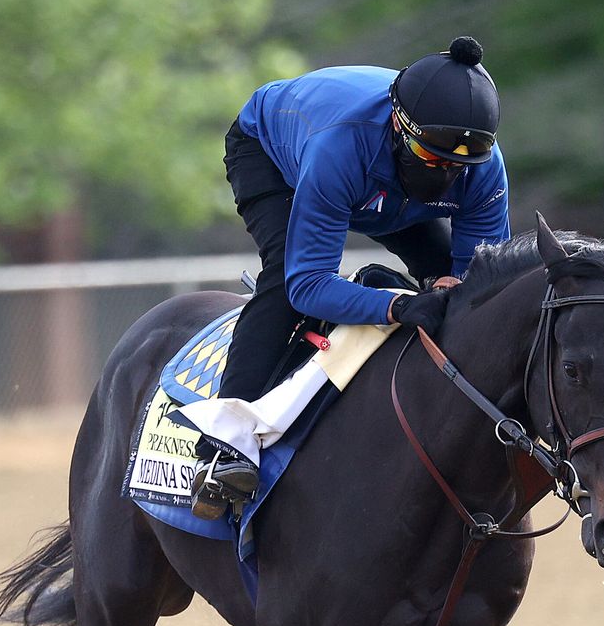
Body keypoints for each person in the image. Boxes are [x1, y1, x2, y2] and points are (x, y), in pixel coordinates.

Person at [189, 35, 510, 519]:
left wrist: (454, 287)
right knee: (283, 280)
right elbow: (308, 283)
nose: (446, 175)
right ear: (401, 128)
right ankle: (223, 445)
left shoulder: (483, 169)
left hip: (382, 181)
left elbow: (480, 288)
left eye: (459, 166)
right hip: (276, 156)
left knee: (456, 291)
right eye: (434, 158)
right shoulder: (339, 147)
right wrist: (396, 306)